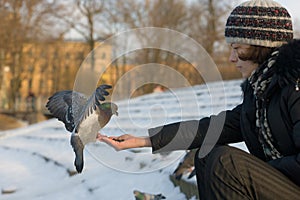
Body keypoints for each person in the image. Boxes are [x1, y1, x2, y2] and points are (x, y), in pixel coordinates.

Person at [97, 0, 300, 199]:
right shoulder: (261, 94)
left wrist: (260, 171)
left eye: (238, 49)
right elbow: (213, 128)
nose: (231, 57)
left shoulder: (295, 88)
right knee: (206, 155)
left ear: (261, 47)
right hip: (284, 184)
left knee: (225, 162)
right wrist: (144, 140)